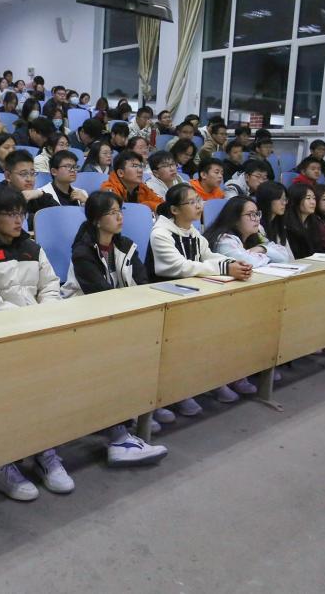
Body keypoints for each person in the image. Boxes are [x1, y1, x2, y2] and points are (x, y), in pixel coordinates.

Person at [0, 183, 74, 498]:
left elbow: (50, 285)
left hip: (39, 330)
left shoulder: (32, 247)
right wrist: (26, 323)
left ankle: (44, 451)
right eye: (10, 214)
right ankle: (0, 461)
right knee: (11, 397)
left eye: (21, 214)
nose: (18, 220)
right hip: (2, 336)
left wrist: (44, 317)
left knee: (49, 389)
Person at [61, 191, 169, 462]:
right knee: (115, 355)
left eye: (120, 211)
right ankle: (119, 433)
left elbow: (143, 283)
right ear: (97, 220)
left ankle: (140, 406)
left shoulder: (126, 246)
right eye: (112, 212)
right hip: (86, 316)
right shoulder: (83, 252)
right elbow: (100, 295)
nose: (120, 217)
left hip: (120, 313)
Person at [147, 183, 255, 411]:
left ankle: (213, 380)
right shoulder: (160, 233)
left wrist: (232, 263)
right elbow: (180, 266)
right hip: (165, 297)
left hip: (193, 293)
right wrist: (225, 268)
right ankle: (176, 393)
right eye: (192, 202)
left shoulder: (192, 231)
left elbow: (208, 255)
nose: (199, 205)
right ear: (175, 210)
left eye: (199, 200)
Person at [0, 149, 58, 227]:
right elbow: (15, 222)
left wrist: (41, 194)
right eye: (23, 174)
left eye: (32, 173)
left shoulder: (35, 194)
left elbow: (60, 214)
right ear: (8, 176)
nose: (29, 179)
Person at [255, 181, 294, 262]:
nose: (284, 203)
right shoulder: (257, 226)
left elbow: (289, 256)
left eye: (285, 199)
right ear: (267, 200)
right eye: (280, 199)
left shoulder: (278, 224)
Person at [283, 183, 320, 258]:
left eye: (314, 198)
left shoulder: (313, 222)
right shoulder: (287, 226)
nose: (313, 202)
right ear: (296, 200)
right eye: (308, 198)